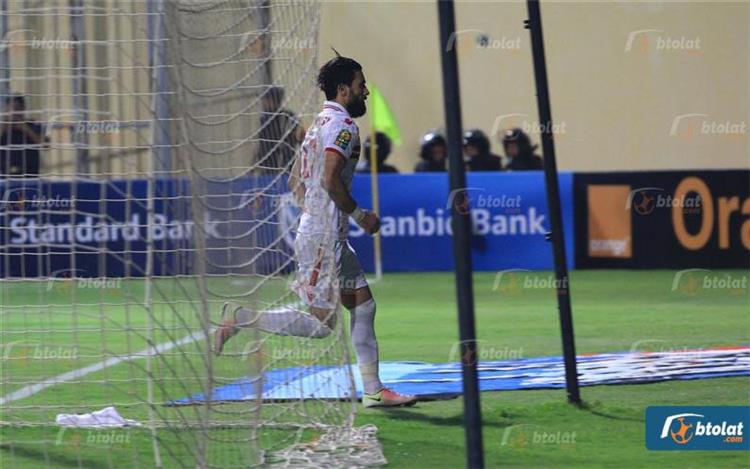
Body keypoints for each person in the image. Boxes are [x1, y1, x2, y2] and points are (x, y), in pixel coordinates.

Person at [214, 53, 417, 408]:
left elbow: (296, 181)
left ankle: (373, 391)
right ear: (343, 90)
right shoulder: (343, 127)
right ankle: (242, 318)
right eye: (360, 85)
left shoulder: (315, 127)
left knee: (364, 306)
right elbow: (330, 180)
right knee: (322, 325)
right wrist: (360, 216)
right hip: (325, 237)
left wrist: (315, 215)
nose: (366, 92)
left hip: (324, 233)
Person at [256, 86, 304, 173]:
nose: (264, 103)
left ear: (274, 101)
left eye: (267, 100)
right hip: (267, 168)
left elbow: (300, 136)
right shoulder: (264, 120)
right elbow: (261, 145)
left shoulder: (287, 117)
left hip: (286, 166)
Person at [0, 95, 48, 177]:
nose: (13, 112)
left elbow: (46, 145)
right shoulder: (3, 126)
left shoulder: (33, 125)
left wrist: (26, 129)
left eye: (16, 108)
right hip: (5, 175)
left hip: (30, 173)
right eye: (10, 108)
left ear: (23, 109)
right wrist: (3, 128)